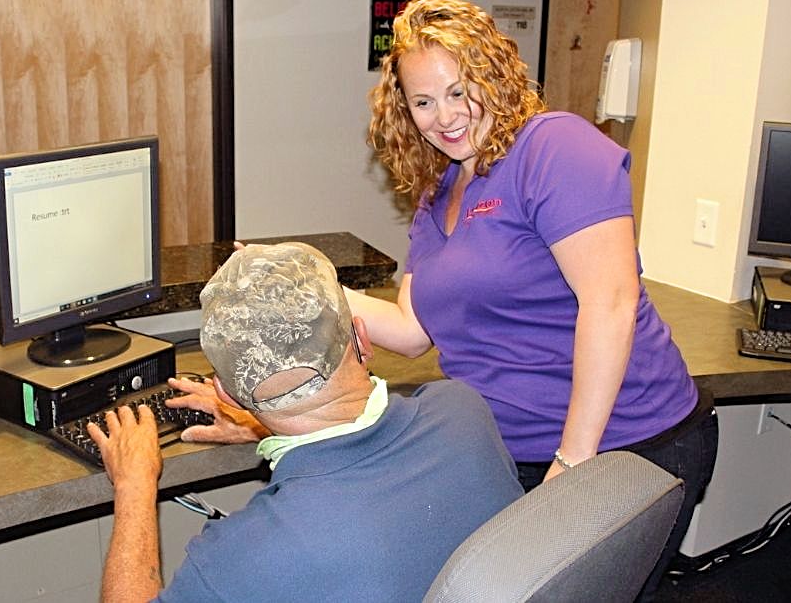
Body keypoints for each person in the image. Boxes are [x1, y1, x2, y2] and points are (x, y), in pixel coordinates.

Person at [342, 0, 720, 597]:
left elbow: (611, 302)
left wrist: (572, 465)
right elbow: (414, 331)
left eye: (459, 90)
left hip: (628, 446)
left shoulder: (553, 148)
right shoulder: (439, 192)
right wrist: (314, 285)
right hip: (514, 453)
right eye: (422, 102)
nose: (445, 116)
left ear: (492, 74)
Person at [87, 242, 523, 602]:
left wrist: (134, 485)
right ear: (362, 338)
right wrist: (259, 426)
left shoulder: (252, 556)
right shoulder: (464, 412)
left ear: (227, 395)